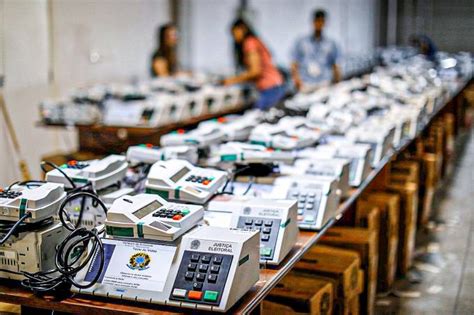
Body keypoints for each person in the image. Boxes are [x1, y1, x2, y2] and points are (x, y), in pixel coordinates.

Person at [223, 18, 285, 111]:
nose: (234, 37)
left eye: (235, 33)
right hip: (274, 86)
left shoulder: (250, 43)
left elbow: (255, 71)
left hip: (271, 88)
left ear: (243, 29)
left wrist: (231, 81)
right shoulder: (255, 41)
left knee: (257, 115)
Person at [291, 9, 341, 92]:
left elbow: (335, 65)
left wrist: (337, 83)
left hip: (324, 84)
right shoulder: (302, 42)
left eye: (321, 21)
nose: (319, 24)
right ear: (313, 22)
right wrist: (297, 81)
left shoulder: (331, 43)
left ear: (324, 23)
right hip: (306, 84)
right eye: (317, 21)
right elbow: (294, 64)